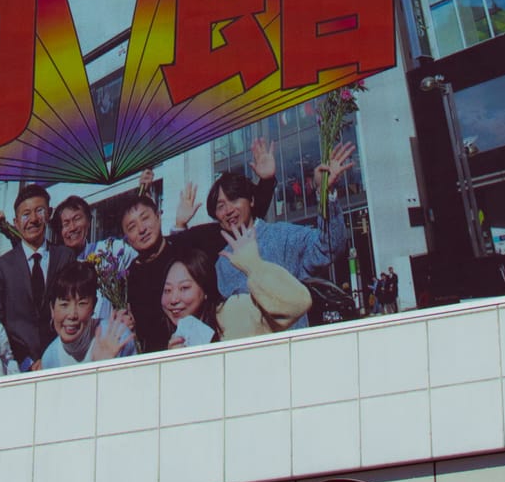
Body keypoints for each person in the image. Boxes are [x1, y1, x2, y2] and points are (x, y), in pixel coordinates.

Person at [120, 168, 275, 352]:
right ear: (126, 239)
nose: (142, 229)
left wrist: (266, 180)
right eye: (132, 227)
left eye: (145, 218)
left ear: (159, 215)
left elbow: (241, 224)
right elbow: (142, 334)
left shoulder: (189, 240)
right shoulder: (130, 278)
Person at [205, 140, 357, 309]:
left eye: (234, 199)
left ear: (252, 200)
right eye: (220, 206)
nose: (228, 210)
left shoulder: (282, 236)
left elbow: (328, 248)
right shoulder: (222, 263)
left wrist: (325, 193)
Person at [158, 223, 310, 348]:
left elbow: (298, 303)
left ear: (205, 289)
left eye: (184, 288)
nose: (173, 299)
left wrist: (253, 265)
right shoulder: (175, 339)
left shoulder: (235, 312)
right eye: (167, 290)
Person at [0, 184, 73, 365]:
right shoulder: (1, 267)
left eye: (39, 211)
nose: (33, 219)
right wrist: (26, 362)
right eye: (25, 214)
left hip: (63, 358)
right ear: (16, 222)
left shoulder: (66, 257)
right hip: (18, 365)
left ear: (49, 213)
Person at [38, 262, 135, 370]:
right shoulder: (49, 359)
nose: (72, 315)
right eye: (64, 304)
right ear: (52, 308)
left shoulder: (117, 337)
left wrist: (108, 365)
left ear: (93, 306)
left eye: (82, 304)